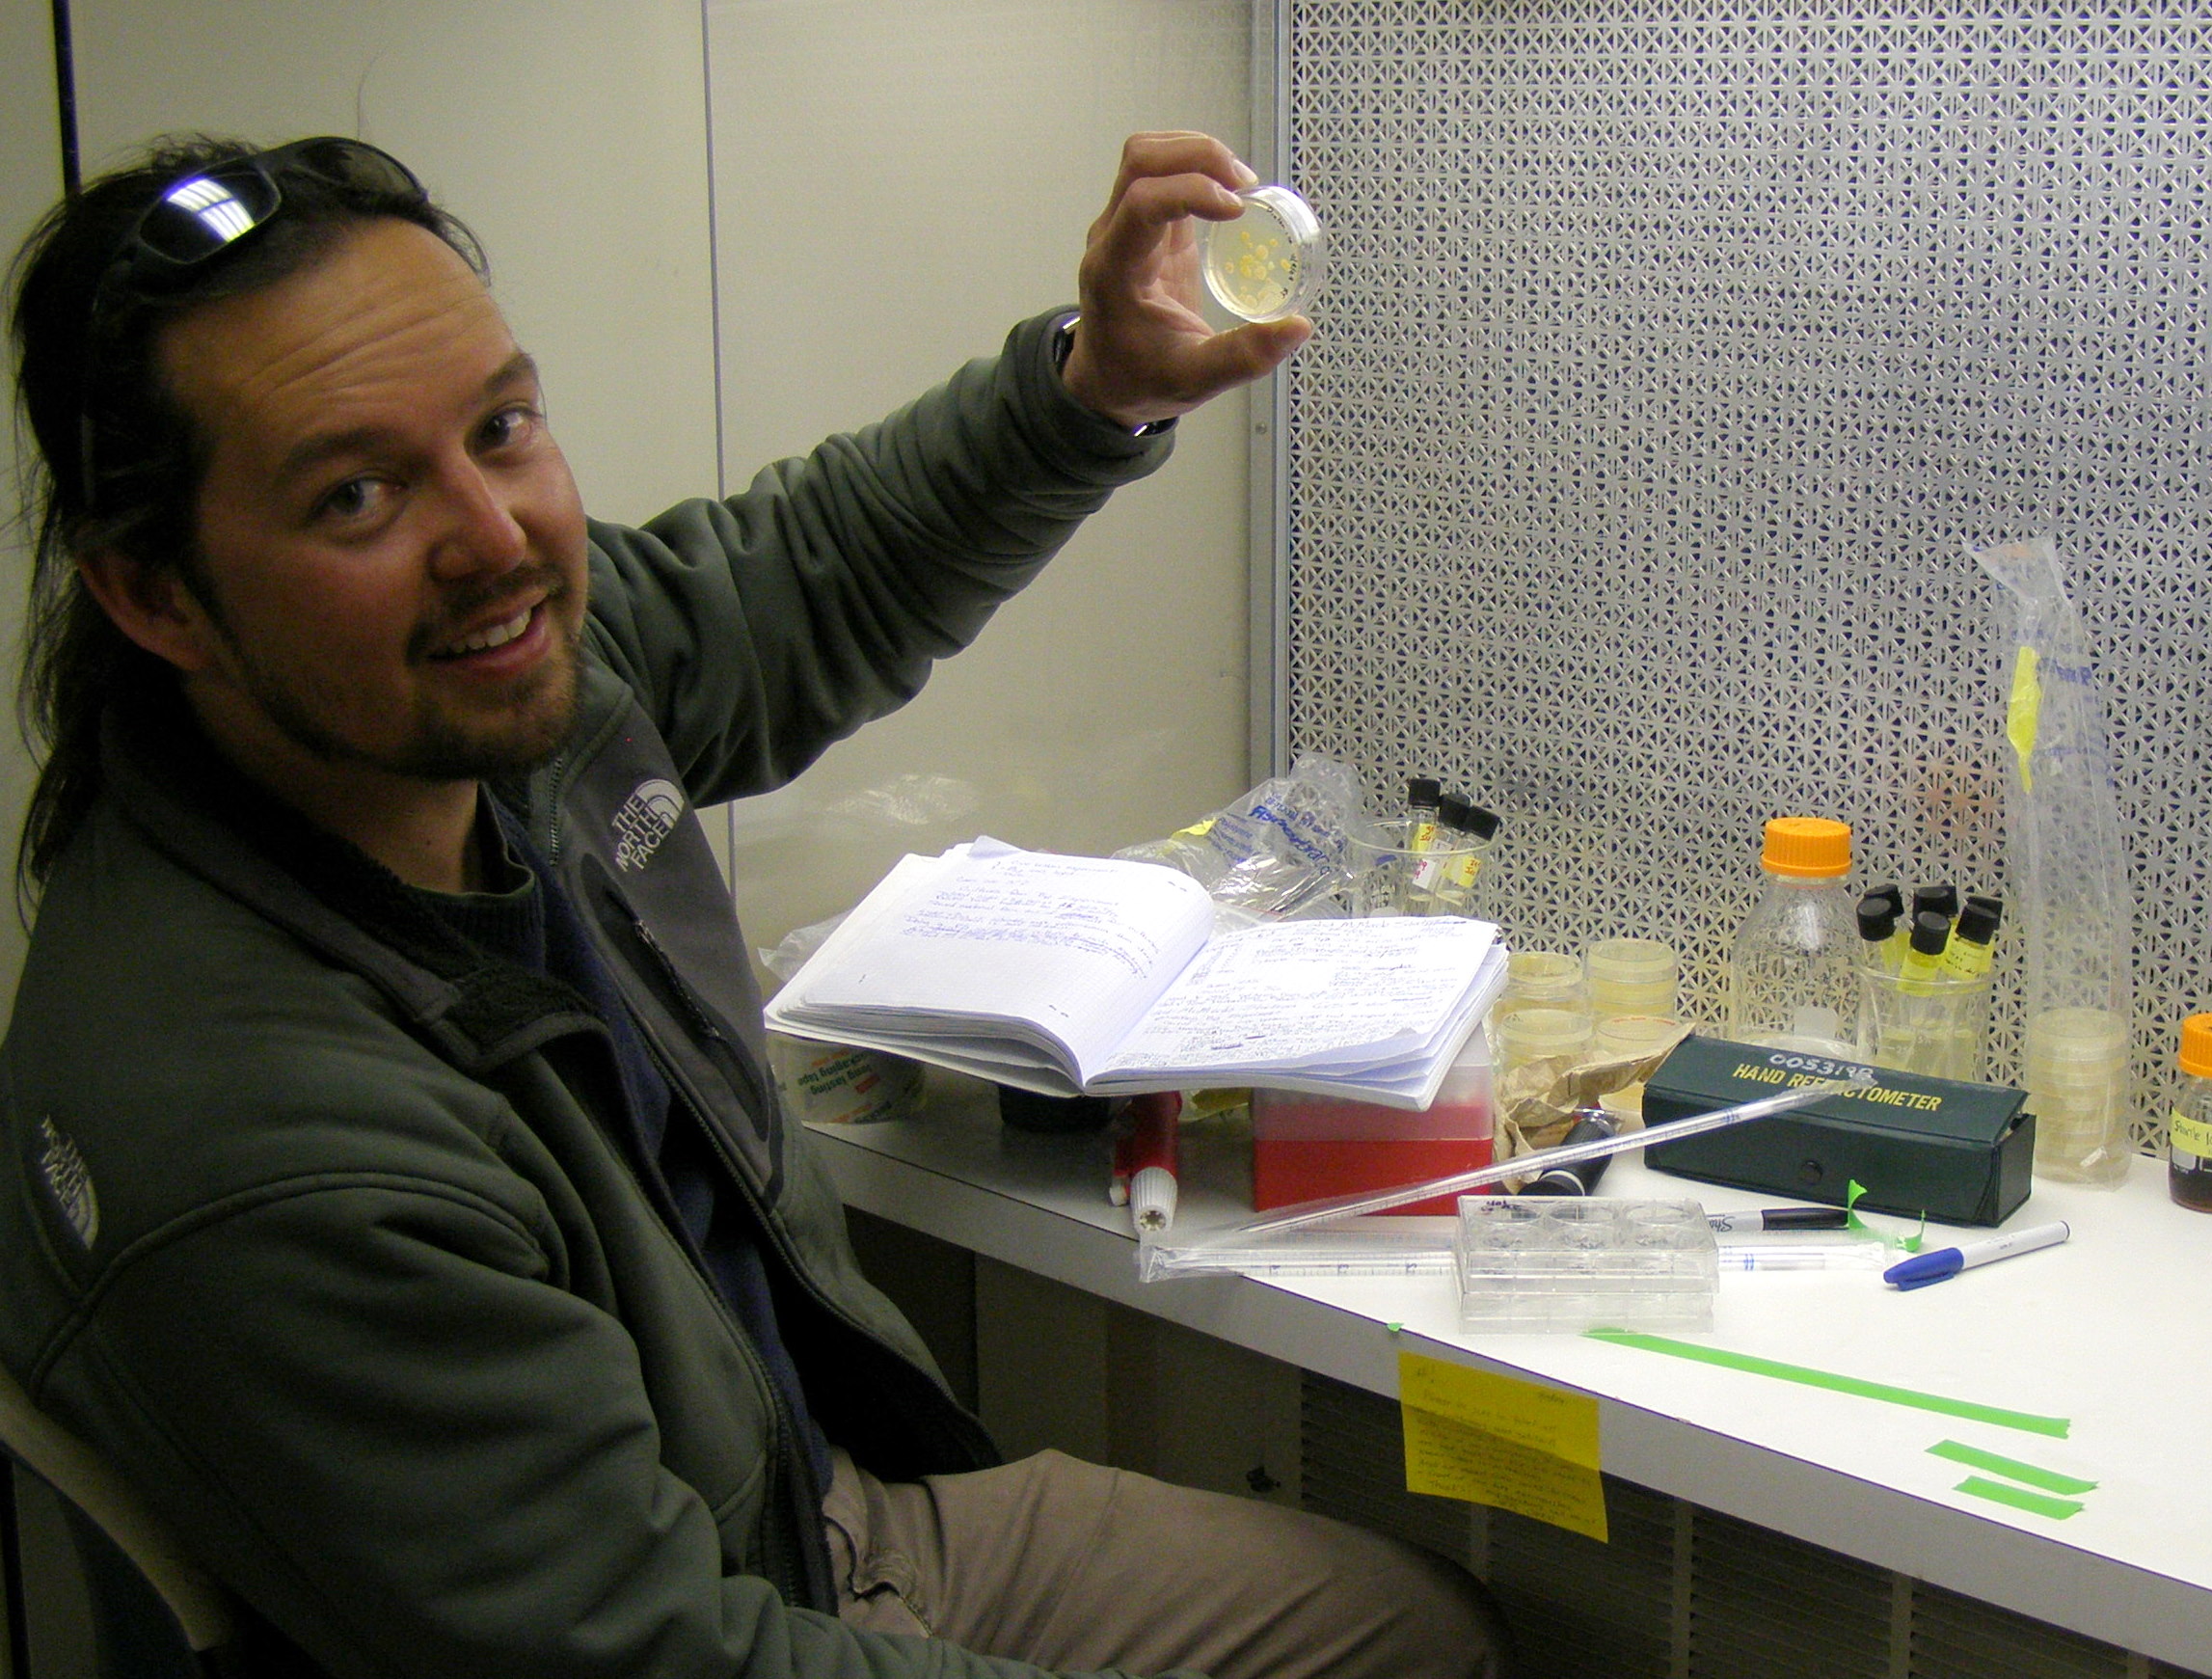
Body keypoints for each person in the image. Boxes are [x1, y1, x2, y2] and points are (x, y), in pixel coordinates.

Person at [0, 132, 1507, 1679]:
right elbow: (669, 1658)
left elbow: (802, 577)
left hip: (796, 1508)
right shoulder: (265, 1138)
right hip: (726, 1607)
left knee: (1418, 1634)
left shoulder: (469, 707)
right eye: (358, 494)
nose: (497, 537)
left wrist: (1094, 388)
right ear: (156, 593)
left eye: (502, 427)